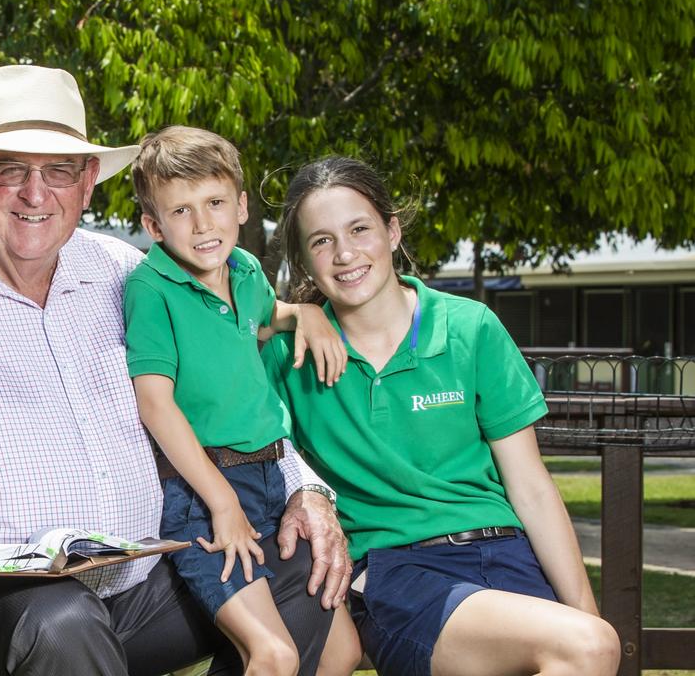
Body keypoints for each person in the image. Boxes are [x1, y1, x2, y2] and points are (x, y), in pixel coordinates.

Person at [0, 65, 351, 675]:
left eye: (60, 171)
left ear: (89, 182)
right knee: (59, 620)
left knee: (298, 564)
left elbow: (230, 397)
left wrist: (307, 489)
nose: (36, 194)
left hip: (128, 591)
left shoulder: (127, 275)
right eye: (10, 169)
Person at [262, 156, 620, 676]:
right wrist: (292, 314)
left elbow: (532, 488)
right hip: (397, 570)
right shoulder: (290, 355)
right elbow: (210, 325)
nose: (344, 254)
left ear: (392, 230)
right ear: (305, 260)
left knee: (589, 643)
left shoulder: (470, 328)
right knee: (584, 647)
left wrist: (588, 616)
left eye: (359, 229)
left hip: (505, 553)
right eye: (321, 241)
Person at [126, 127, 352, 676]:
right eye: (181, 211)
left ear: (242, 206)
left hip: (274, 478)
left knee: (341, 651)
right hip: (205, 493)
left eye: (215, 203)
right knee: (272, 655)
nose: (203, 225)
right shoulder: (152, 290)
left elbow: (267, 317)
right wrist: (222, 503)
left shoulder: (247, 272)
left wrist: (307, 313)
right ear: (154, 226)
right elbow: (155, 405)